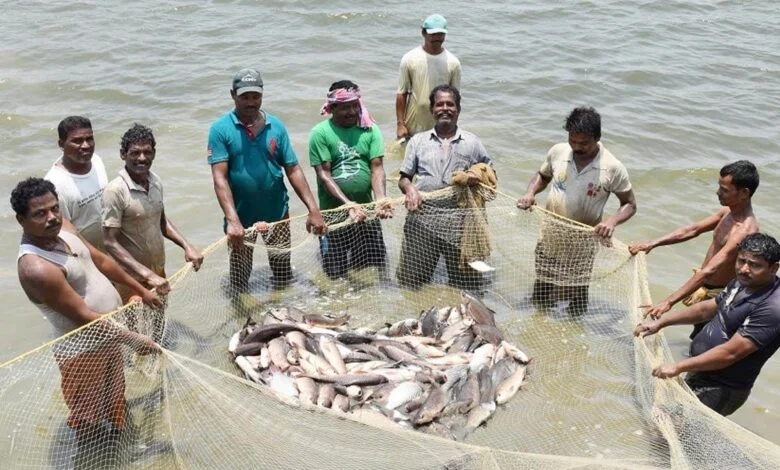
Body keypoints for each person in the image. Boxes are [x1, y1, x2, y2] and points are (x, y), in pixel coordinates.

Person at [12, 177, 161, 450]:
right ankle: (90, 458)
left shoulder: (64, 227)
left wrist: (141, 287)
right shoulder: (36, 268)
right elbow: (82, 314)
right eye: (39, 214)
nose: (52, 217)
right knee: (88, 422)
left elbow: (101, 260)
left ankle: (120, 450)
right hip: (82, 353)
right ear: (21, 220)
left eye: (54, 208)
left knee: (116, 401)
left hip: (109, 337)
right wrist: (133, 339)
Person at [634, 233, 780, 417]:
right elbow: (708, 309)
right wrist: (663, 322)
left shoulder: (773, 308)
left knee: (680, 435)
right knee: (664, 423)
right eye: (741, 261)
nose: (744, 269)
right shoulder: (742, 283)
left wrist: (679, 366)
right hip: (700, 371)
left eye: (754, 265)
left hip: (721, 388)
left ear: (774, 268)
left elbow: (731, 352)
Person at [208, 68, 326, 292]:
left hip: (277, 213)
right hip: (241, 219)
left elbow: (293, 169)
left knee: (283, 273)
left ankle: (283, 309)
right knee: (240, 279)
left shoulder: (276, 126)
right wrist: (233, 220)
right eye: (244, 97)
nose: (251, 102)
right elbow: (219, 178)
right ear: (232, 95)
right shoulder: (220, 130)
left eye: (256, 96)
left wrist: (313, 209)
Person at [517, 107, 637, 314]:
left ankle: (575, 333)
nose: (577, 147)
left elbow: (630, 204)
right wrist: (530, 193)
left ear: (597, 138)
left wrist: (611, 222)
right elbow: (542, 176)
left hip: (583, 242)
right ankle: (540, 323)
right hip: (550, 235)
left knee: (578, 296)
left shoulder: (612, 167)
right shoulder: (558, 152)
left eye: (584, 143)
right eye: (573, 141)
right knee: (542, 289)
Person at [629, 161, 759, 338]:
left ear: (744, 193)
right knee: (696, 337)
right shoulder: (727, 213)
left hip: (720, 297)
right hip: (705, 288)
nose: (718, 192)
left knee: (703, 343)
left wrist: (668, 302)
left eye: (725, 190)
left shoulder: (744, 230)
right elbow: (692, 230)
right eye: (719, 187)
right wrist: (652, 243)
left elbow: (710, 270)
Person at [103, 124, 203, 338]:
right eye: (135, 153)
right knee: (135, 332)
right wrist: (146, 275)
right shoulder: (115, 191)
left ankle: (158, 354)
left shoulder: (155, 181)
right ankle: (139, 365)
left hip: (158, 270)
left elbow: (162, 222)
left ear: (154, 153)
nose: (142, 158)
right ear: (123, 155)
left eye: (147, 152)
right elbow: (110, 242)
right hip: (130, 278)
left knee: (157, 323)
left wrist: (187, 246)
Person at [397, 84, 493, 290]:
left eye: (450, 104)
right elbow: (404, 178)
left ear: (458, 109)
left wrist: (476, 175)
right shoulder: (417, 141)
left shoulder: (473, 142)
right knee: (412, 284)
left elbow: (490, 175)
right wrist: (410, 190)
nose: (445, 108)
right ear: (431, 110)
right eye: (439, 104)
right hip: (422, 220)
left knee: (467, 286)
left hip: (461, 223)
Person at [309, 80, 392, 279]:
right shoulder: (319, 133)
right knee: (335, 275)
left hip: (367, 215)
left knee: (370, 269)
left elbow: (377, 168)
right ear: (332, 107)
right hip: (334, 217)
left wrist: (381, 199)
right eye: (345, 107)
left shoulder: (370, 129)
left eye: (355, 105)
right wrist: (348, 205)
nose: (352, 112)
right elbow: (324, 175)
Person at [44, 116, 108, 251]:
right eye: (77, 141)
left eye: (89, 139)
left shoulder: (96, 161)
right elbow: (63, 234)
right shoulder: (55, 185)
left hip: (107, 247)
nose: (86, 146)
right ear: (61, 144)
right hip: (83, 254)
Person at [396, 14, 461, 142]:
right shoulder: (409, 59)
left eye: (441, 34)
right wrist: (400, 125)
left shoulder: (453, 63)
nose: (437, 38)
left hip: (441, 127)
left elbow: (455, 100)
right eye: (433, 34)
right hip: (413, 126)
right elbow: (401, 93)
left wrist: (453, 128)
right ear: (423, 33)